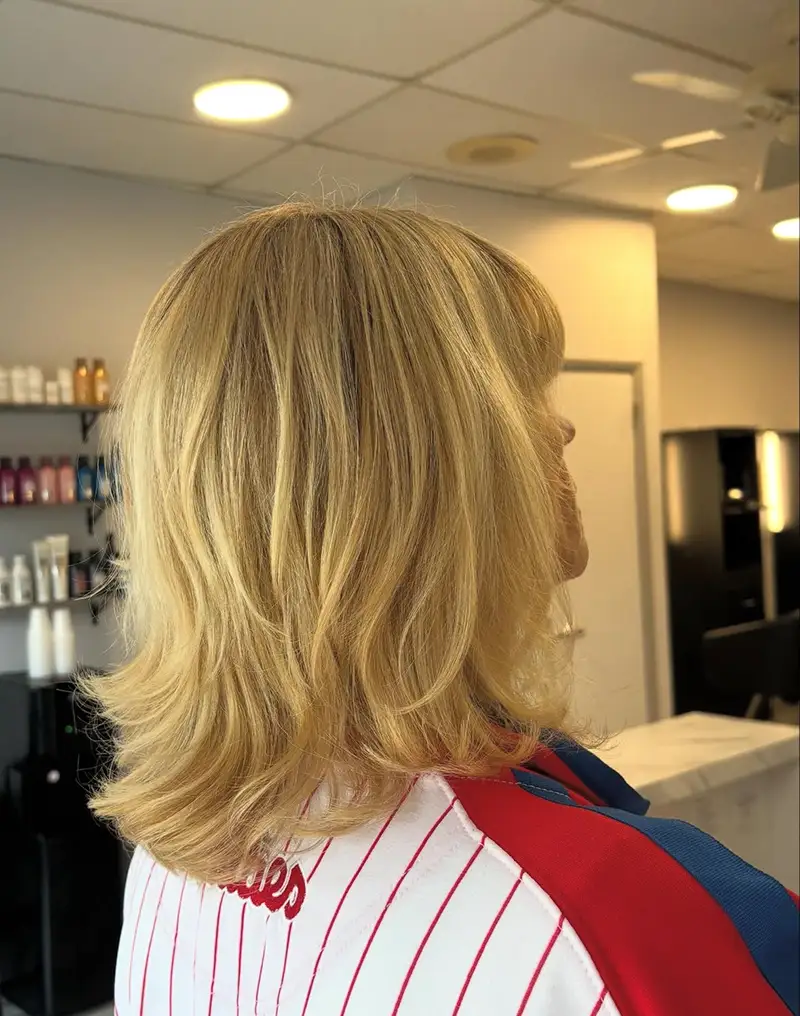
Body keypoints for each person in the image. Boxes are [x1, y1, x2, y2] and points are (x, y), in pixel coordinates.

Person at [87, 204, 798, 1016]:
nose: (564, 427)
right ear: (425, 475)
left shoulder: (169, 858)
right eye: (526, 389)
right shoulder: (622, 919)